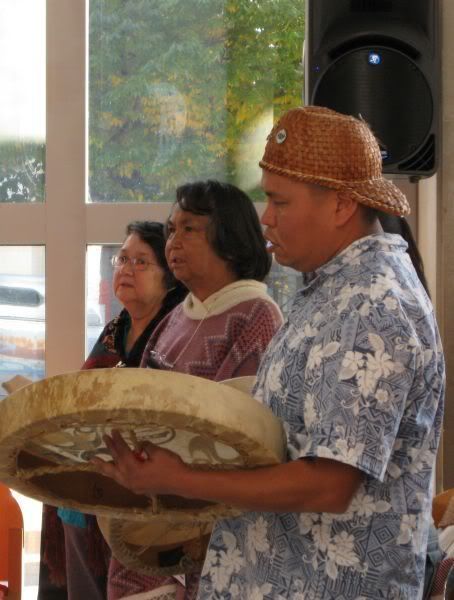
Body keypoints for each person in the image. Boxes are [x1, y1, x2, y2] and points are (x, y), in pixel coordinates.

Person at [94, 107, 445, 599]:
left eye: (280, 202)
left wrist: (182, 479)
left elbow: (329, 485)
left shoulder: (374, 305)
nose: (266, 219)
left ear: (342, 205)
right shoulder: (330, 290)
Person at [106, 180, 284, 600]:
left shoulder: (257, 315)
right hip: (151, 511)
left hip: (211, 531)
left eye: (189, 229)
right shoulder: (176, 316)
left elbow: (241, 436)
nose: (173, 241)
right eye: (171, 229)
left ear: (230, 235)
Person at [38, 221, 187, 600]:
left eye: (141, 261)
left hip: (139, 490)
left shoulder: (174, 332)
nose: (125, 269)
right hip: (87, 477)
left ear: (169, 278)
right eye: (122, 258)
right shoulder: (114, 329)